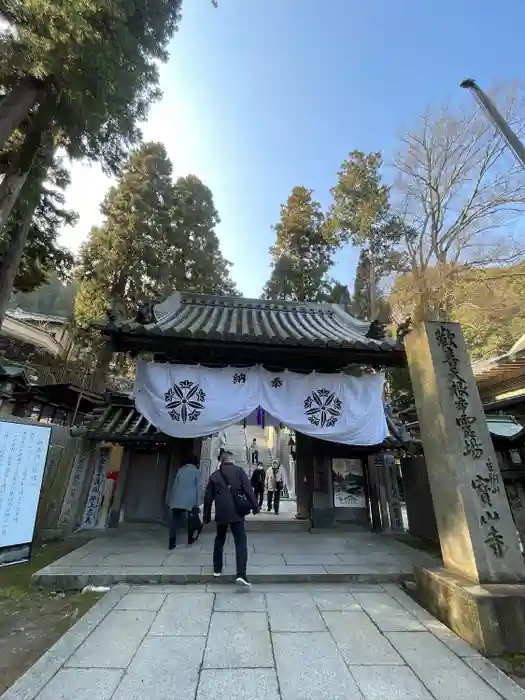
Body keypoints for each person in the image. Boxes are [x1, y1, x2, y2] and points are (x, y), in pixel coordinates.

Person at [203, 450, 259, 586]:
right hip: (237, 513)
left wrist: (206, 516)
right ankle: (241, 574)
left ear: (221, 461)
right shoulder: (239, 472)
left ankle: (217, 569)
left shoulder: (215, 476)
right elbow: (248, 490)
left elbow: (208, 498)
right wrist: (255, 507)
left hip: (221, 513)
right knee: (240, 542)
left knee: (219, 539)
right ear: (231, 459)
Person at [167, 455, 203, 550]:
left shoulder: (180, 470)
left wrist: (172, 500)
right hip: (190, 499)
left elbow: (175, 485)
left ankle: (171, 542)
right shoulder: (196, 471)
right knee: (192, 520)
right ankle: (190, 539)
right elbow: (198, 488)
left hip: (177, 498)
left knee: (174, 520)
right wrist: (199, 502)